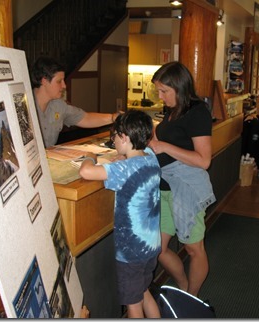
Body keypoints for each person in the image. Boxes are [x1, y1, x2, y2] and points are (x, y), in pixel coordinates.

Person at [78, 110, 162, 318]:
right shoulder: (151, 158)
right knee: (144, 292)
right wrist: (122, 155)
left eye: (113, 137)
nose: (112, 141)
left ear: (124, 138)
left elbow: (86, 172)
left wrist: (90, 157)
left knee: (133, 305)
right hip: (150, 245)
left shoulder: (124, 170)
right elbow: (134, 158)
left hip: (131, 252)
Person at [148, 61, 216, 297]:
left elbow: (203, 160)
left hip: (187, 188)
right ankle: (185, 287)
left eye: (164, 91)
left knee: (194, 248)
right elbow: (158, 137)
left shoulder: (198, 113)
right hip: (164, 188)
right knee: (159, 249)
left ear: (179, 87)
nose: (160, 96)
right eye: (158, 91)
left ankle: (192, 299)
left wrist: (163, 146)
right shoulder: (172, 109)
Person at [30, 56, 120, 147]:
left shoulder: (59, 105)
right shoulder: (23, 107)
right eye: (59, 81)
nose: (64, 85)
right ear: (44, 81)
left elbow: (85, 118)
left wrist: (113, 117)